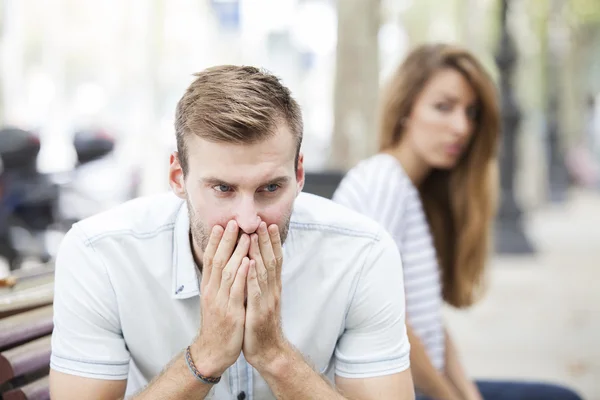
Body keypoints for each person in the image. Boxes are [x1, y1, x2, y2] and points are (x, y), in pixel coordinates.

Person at [49, 65, 415, 399]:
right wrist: (205, 357)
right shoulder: (101, 254)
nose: (248, 220)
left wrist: (275, 356)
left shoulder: (362, 254)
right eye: (223, 189)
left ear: (299, 175)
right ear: (178, 177)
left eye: (270, 188)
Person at [332, 44, 583, 400]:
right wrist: (448, 396)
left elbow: (427, 321)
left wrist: (466, 392)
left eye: (471, 112)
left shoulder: (409, 189)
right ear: (406, 109)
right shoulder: (382, 181)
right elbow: (391, 326)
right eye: (443, 107)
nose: (462, 127)